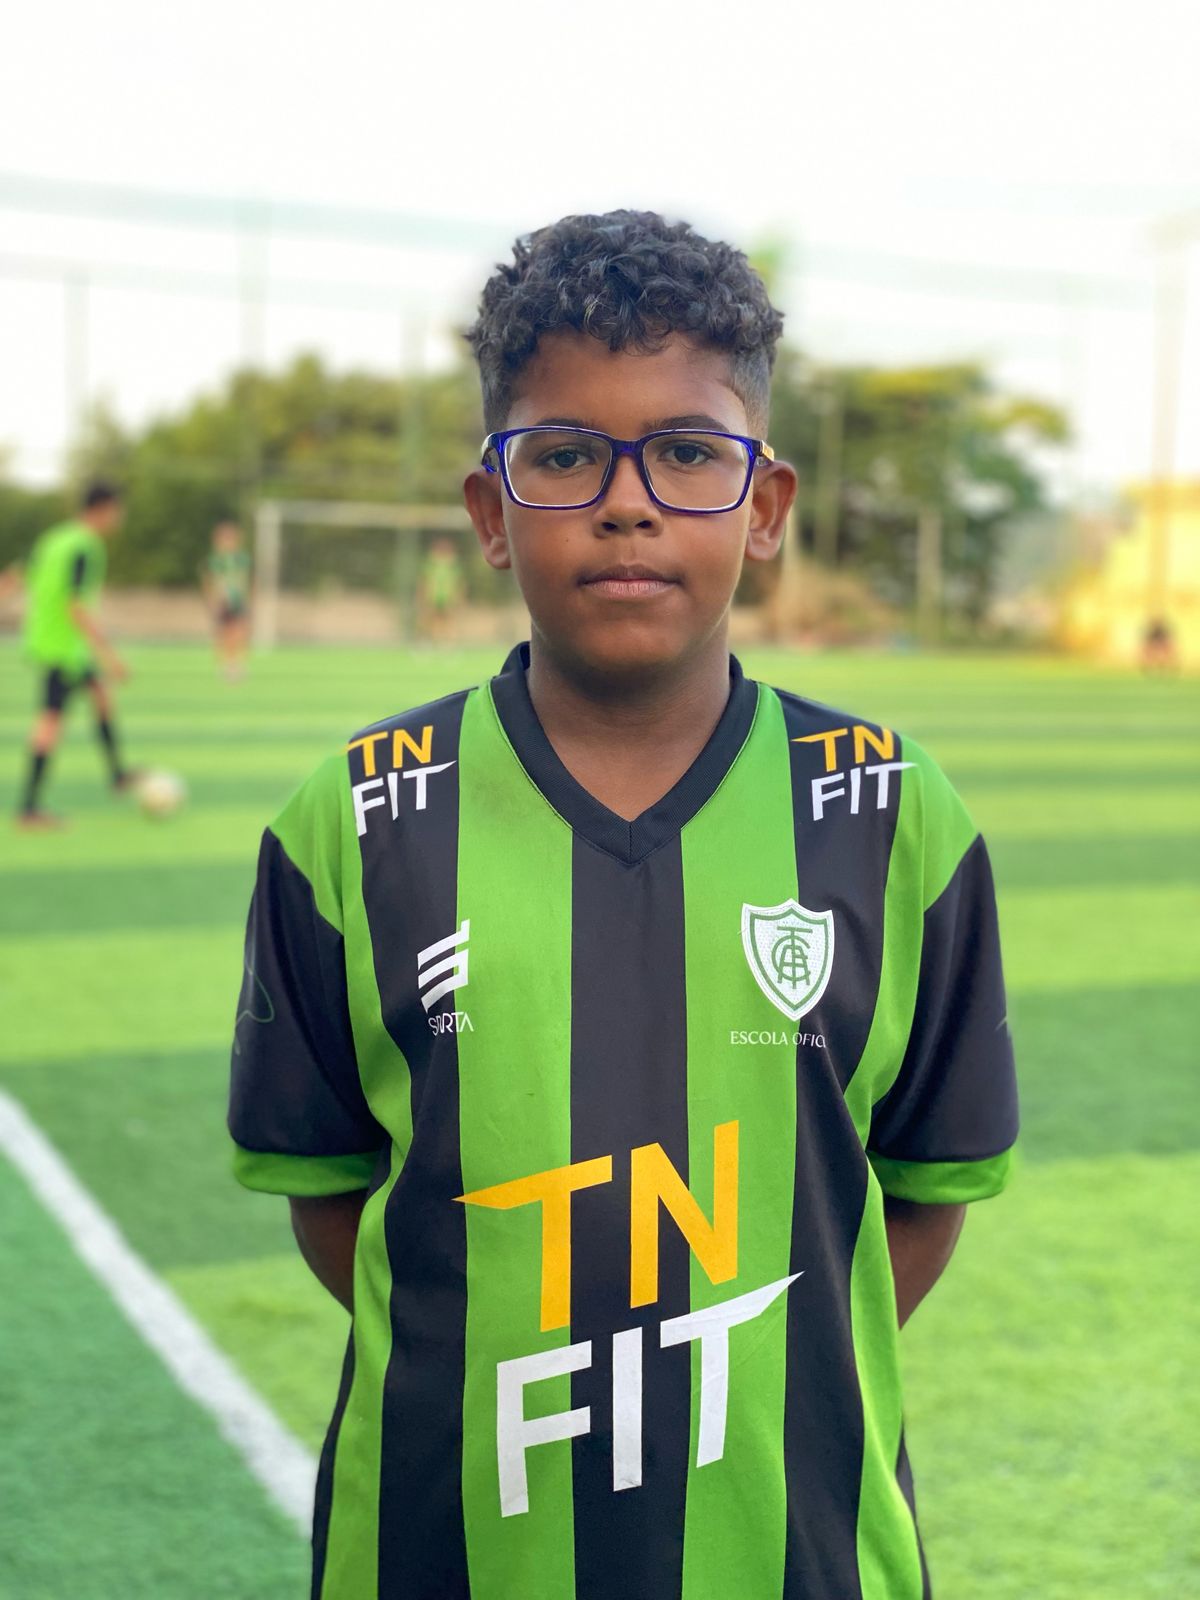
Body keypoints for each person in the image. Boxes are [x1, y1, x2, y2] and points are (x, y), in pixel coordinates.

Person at [228, 212, 1018, 1600]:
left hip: (793, 1553)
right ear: (491, 511)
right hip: (442, 1552)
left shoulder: (892, 813)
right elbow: (333, 1199)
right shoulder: (355, 818)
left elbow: (920, 1200)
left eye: (690, 453)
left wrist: (741, 1362)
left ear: (765, 507)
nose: (629, 501)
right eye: (565, 454)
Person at [16, 480, 134, 828]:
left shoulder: (55, 538)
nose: (120, 517)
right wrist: (110, 655)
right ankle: (29, 807)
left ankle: (118, 775)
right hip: (64, 648)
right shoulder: (84, 546)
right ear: (103, 509)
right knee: (50, 721)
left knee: (101, 695)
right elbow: (75, 606)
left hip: (53, 642)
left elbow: (21, 575)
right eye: (118, 510)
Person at [203, 520, 252, 679]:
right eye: (224, 539)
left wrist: (247, 597)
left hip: (238, 600)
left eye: (231, 539)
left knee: (240, 631)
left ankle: (238, 663)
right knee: (224, 633)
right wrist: (212, 600)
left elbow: (246, 580)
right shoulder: (216, 560)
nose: (228, 543)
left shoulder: (242, 559)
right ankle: (225, 664)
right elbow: (210, 581)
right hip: (222, 601)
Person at [416, 535, 466, 643]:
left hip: (448, 597)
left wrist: (459, 597)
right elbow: (424, 581)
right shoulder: (431, 564)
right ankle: (428, 639)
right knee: (429, 619)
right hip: (432, 597)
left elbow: (459, 583)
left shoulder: (453, 566)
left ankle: (447, 641)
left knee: (448, 619)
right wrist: (422, 596)